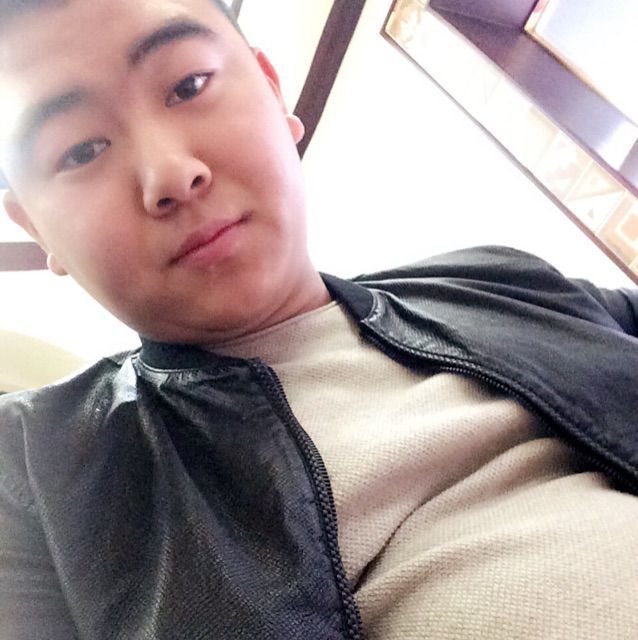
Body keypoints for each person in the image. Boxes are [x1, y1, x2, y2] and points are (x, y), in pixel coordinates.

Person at [1, 1, 637, 639]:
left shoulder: (497, 279)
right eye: (80, 150)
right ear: (35, 227)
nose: (171, 173)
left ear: (274, 92)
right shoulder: (32, 470)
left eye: (188, 85)